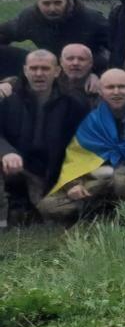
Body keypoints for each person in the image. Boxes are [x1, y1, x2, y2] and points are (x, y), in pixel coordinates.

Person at [37, 70, 125, 223]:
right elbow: (78, 158)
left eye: (122, 87)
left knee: (122, 179)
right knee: (48, 206)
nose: (116, 92)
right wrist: (76, 184)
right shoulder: (93, 120)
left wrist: (111, 171)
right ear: (101, 91)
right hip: (99, 180)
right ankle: (102, 213)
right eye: (110, 87)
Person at [0, 50, 90, 228]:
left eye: (45, 68)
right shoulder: (8, 100)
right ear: (25, 71)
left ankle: (29, 209)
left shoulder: (73, 103)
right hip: (14, 166)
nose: (39, 74)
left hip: (50, 174)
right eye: (33, 68)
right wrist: (7, 152)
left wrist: (72, 182)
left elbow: (79, 148)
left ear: (57, 71)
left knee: (56, 211)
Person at [0, 0, 110, 71]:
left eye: (58, 3)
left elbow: (117, 46)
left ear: (66, 0)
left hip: (88, 71)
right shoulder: (29, 18)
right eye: (46, 4)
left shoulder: (91, 18)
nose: (52, 8)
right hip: (52, 70)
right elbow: (4, 33)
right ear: (38, 2)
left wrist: (98, 74)